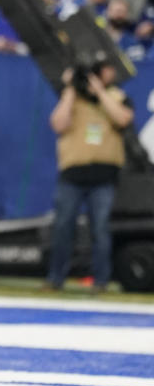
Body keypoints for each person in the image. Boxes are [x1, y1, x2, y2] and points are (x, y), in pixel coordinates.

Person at [47, 55, 133, 292]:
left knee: (100, 229)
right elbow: (58, 124)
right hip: (72, 174)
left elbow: (123, 119)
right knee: (63, 227)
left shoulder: (117, 97)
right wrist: (69, 89)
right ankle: (56, 279)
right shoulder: (72, 99)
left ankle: (101, 281)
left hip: (104, 176)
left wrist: (100, 92)